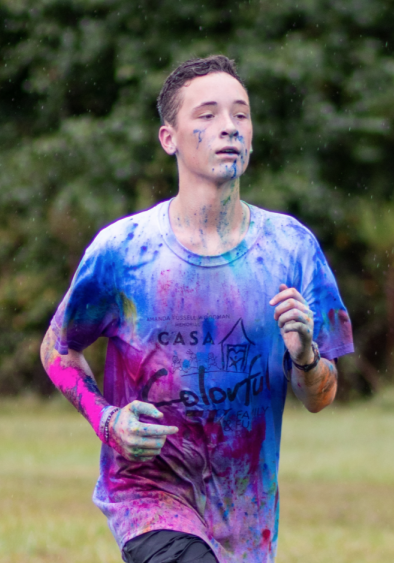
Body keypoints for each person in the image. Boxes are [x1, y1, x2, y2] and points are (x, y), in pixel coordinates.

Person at [40, 55, 353, 563]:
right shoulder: (125, 250)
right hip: (146, 499)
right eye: (206, 115)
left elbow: (320, 396)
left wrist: (306, 355)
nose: (228, 127)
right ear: (170, 138)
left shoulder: (291, 248)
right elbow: (57, 351)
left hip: (247, 517)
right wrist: (108, 420)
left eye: (241, 115)